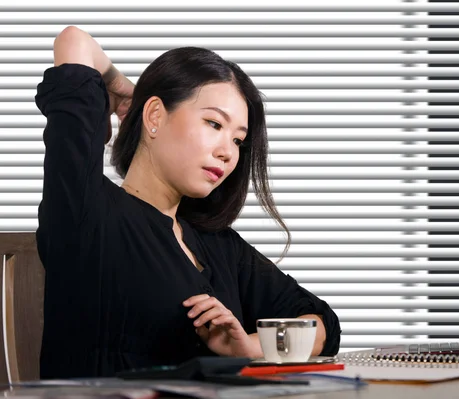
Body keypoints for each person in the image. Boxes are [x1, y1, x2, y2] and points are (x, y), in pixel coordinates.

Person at [35, 26, 341, 378]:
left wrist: (250, 348)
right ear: (154, 116)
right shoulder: (86, 209)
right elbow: (74, 41)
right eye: (213, 123)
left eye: (238, 140)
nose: (227, 152)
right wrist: (124, 93)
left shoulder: (216, 245)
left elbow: (320, 322)